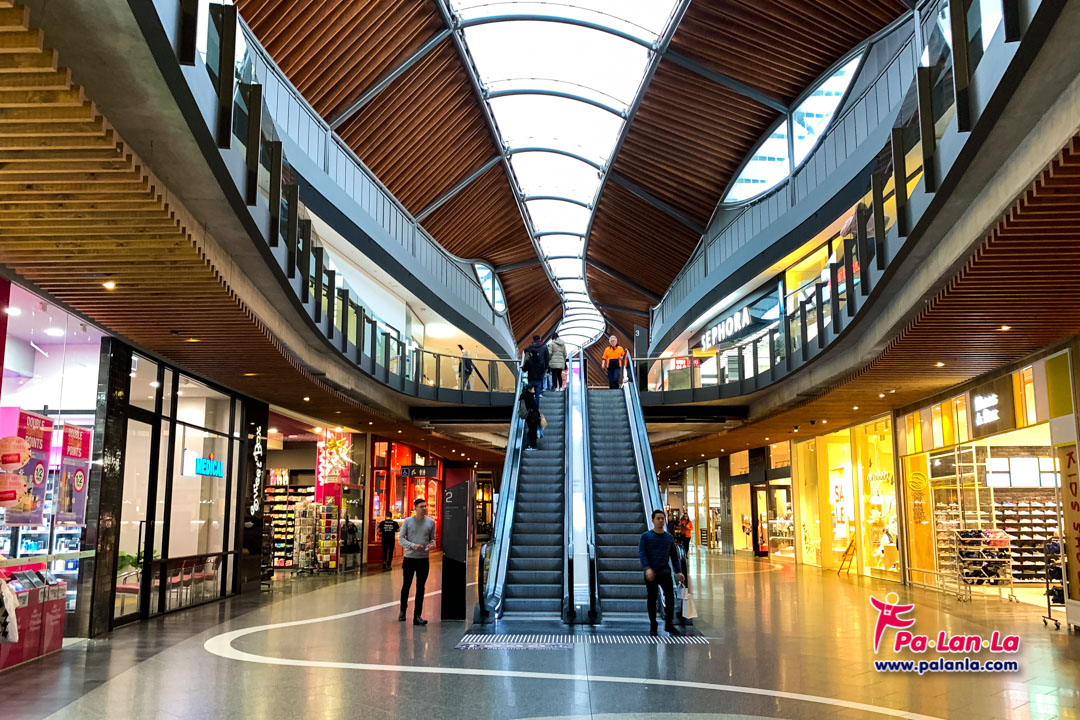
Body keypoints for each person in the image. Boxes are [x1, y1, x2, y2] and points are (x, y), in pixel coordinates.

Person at [638, 509, 685, 636]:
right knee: (652, 599)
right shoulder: (646, 536)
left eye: (662, 518)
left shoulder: (668, 538)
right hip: (651, 573)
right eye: (658, 518)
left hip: (664, 572)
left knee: (670, 598)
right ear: (652, 520)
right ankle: (653, 624)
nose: (660, 521)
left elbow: (674, 556)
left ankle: (669, 624)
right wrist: (647, 568)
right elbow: (642, 554)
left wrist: (678, 571)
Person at [399, 498, 436, 625]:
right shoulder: (408, 522)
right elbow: (401, 539)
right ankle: (403, 611)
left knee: (421, 587)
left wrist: (431, 545)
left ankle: (417, 615)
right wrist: (412, 545)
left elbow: (433, 540)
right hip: (409, 558)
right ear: (415, 508)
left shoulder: (431, 522)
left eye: (425, 506)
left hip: (423, 560)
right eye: (421, 506)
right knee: (406, 585)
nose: (424, 508)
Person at [522, 383, 541, 451]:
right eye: (533, 389)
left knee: (531, 430)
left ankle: (529, 445)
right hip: (532, 416)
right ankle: (531, 445)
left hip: (528, 416)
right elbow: (534, 407)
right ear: (530, 389)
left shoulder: (524, 396)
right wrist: (539, 415)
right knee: (532, 430)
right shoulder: (529, 397)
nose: (534, 390)